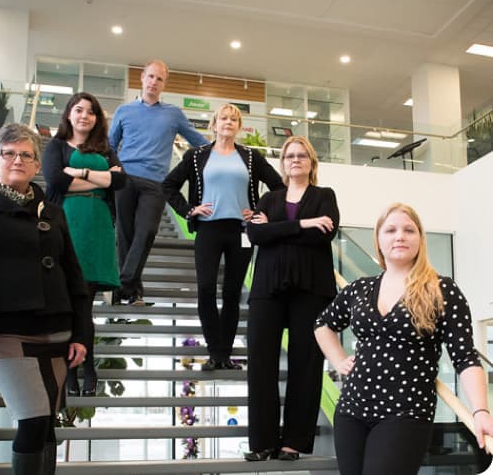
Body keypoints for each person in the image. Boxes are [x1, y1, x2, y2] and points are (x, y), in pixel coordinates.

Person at [0, 123, 89, 474]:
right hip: (5, 330)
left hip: (57, 329)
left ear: (37, 166)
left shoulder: (52, 211)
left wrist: (84, 334)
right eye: (9, 153)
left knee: (46, 424)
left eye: (26, 154)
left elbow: (74, 275)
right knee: (32, 418)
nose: (17, 160)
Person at [314, 202, 493, 475]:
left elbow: (465, 358)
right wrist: (338, 360)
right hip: (352, 409)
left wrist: (481, 410)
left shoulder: (441, 289)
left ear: (420, 239)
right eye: (391, 230)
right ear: (379, 240)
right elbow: (323, 324)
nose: (399, 236)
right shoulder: (359, 288)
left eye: (409, 230)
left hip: (406, 412)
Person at [163, 103, 283, 371]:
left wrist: (260, 212)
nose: (228, 122)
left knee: (232, 292)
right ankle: (214, 351)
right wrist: (189, 210)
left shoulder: (251, 158)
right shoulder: (196, 156)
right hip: (208, 229)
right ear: (214, 124)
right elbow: (168, 185)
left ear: (239, 127)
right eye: (223, 118)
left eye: (234, 119)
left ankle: (225, 355)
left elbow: (278, 187)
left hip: (241, 230)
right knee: (206, 289)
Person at [243, 136, 339, 461]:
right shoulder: (270, 198)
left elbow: (325, 232)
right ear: (283, 164)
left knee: (307, 364)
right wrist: (303, 223)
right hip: (267, 289)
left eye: (301, 155)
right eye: (289, 156)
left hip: (311, 290)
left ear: (311, 162)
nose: (294, 160)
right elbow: (255, 234)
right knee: (260, 363)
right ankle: (262, 442)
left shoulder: (325, 196)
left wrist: (279, 229)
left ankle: (293, 442)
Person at [43, 92, 126, 397]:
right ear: (68, 114)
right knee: (66, 302)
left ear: (97, 119)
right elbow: (54, 180)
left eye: (91, 112)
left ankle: (87, 366)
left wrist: (80, 173)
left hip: (98, 227)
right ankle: (71, 369)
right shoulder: (55, 146)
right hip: (66, 223)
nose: (84, 116)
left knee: (84, 303)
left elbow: (121, 181)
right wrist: (102, 178)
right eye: (79, 110)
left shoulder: (106, 148)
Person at [108, 59, 207, 306]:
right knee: (125, 234)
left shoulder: (173, 114)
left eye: (159, 79)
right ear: (142, 77)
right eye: (151, 76)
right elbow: (109, 146)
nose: (154, 82)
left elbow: (198, 140)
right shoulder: (124, 111)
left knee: (147, 231)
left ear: (164, 84)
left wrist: (227, 152)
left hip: (155, 183)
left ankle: (122, 284)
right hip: (125, 178)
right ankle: (133, 292)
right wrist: (112, 169)